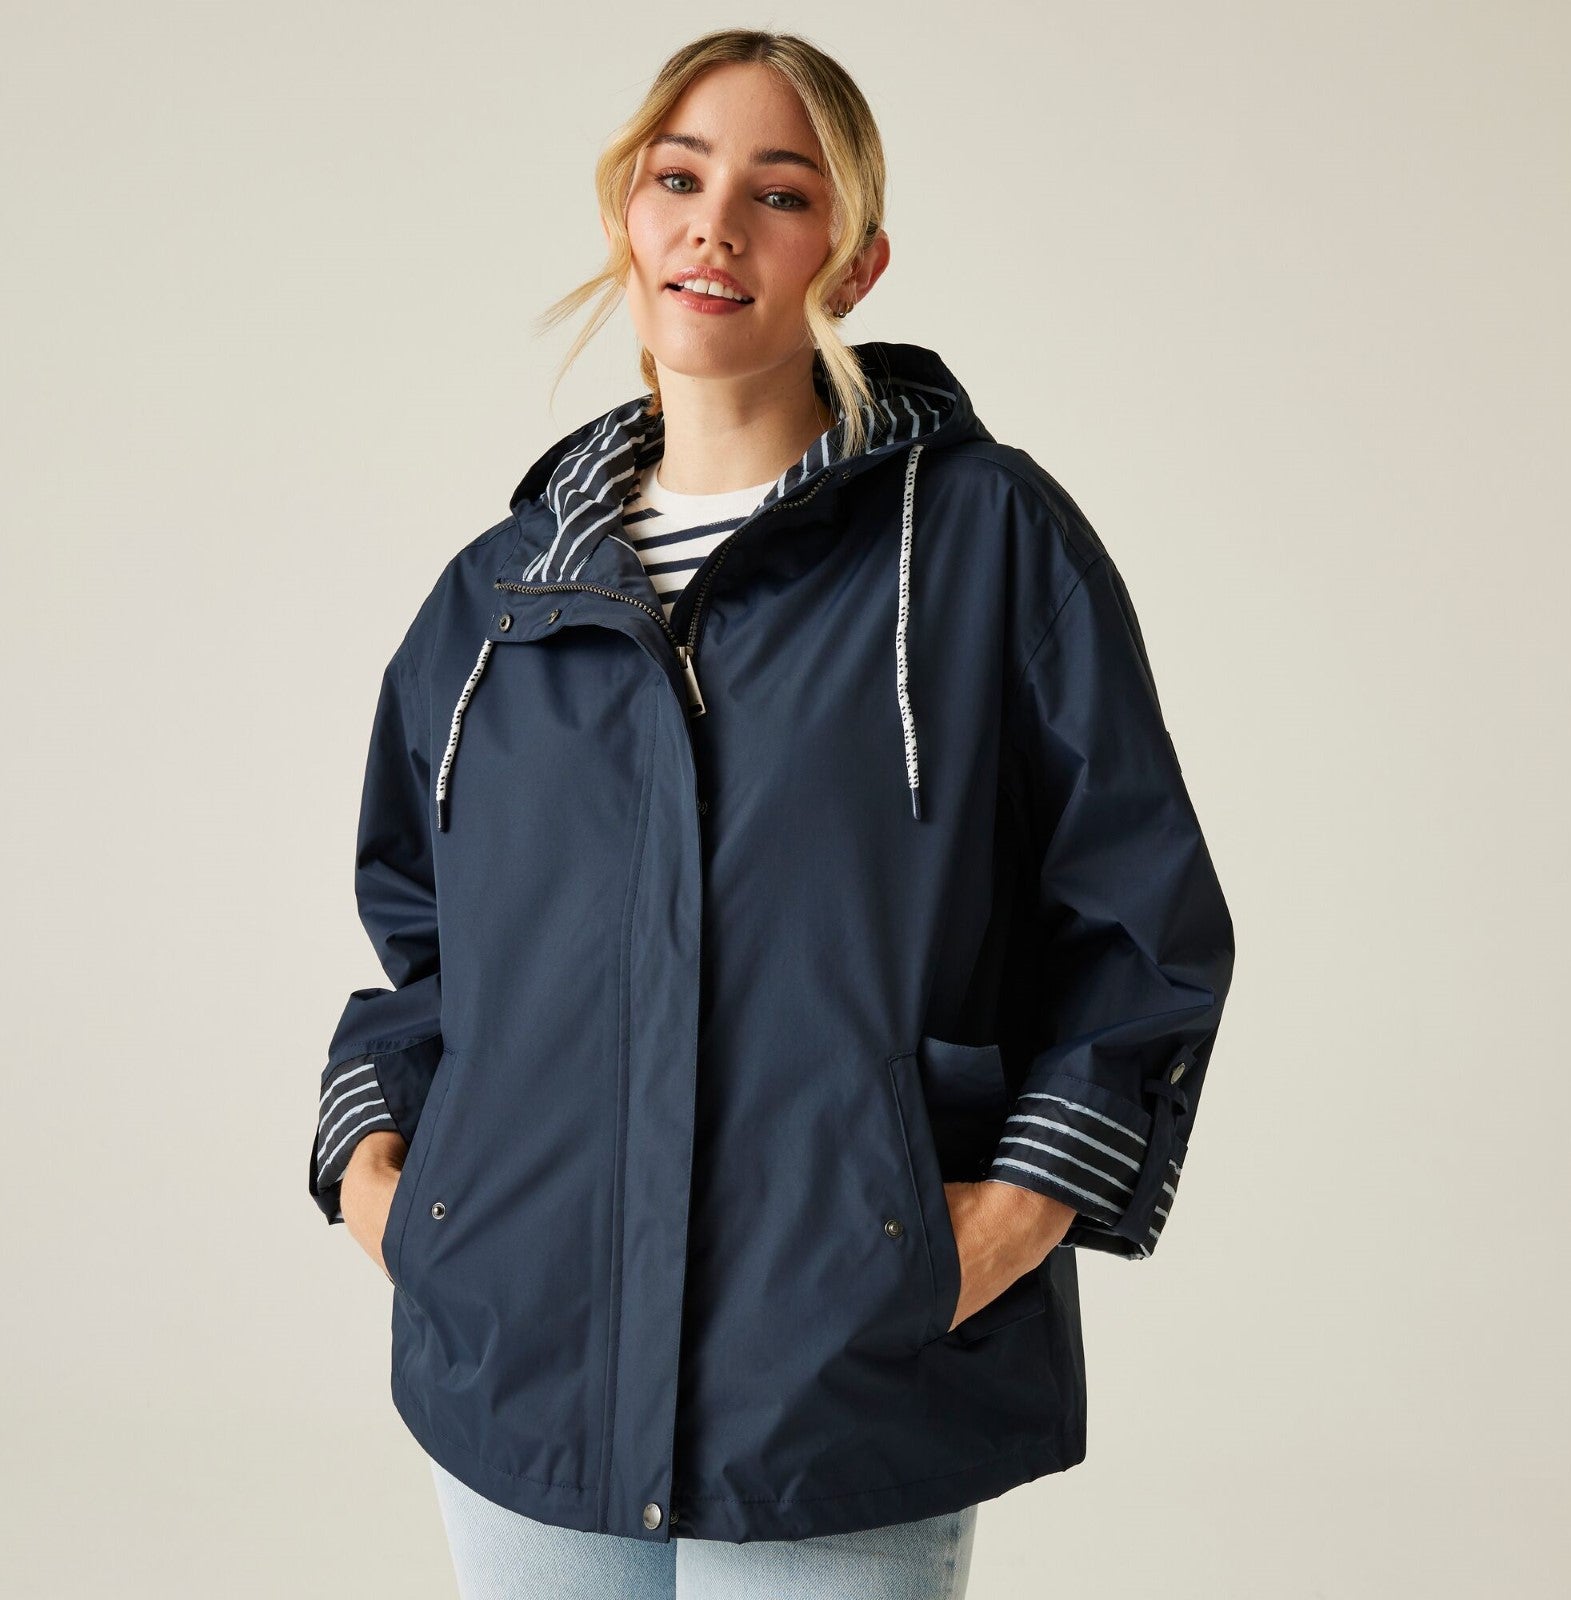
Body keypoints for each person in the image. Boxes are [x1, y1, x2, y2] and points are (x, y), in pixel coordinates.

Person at [309, 28, 1235, 1600]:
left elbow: (1142, 922)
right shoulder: (499, 596)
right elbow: (424, 940)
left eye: (780, 193)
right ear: (627, 217)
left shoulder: (985, 542)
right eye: (678, 178)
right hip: (518, 1352)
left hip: (836, 1373)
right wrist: (383, 1182)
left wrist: (1001, 1223)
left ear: (856, 263)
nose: (716, 226)